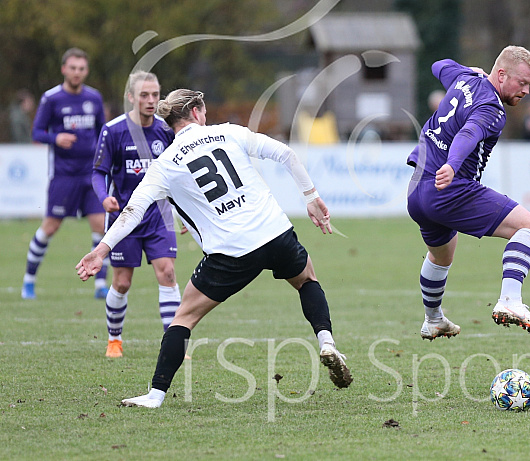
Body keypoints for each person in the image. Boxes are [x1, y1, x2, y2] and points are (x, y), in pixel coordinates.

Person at [76, 89, 352, 407]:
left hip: (231, 251)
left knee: (183, 319)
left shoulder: (164, 164)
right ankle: (327, 342)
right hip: (274, 232)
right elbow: (287, 155)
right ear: (196, 111)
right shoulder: (228, 132)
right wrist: (310, 196)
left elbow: (131, 212)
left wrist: (101, 251)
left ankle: (155, 394)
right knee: (306, 280)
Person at [406, 45, 530, 340]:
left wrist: (469, 70)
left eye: (529, 85)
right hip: (449, 188)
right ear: (500, 74)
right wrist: (452, 165)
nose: (525, 91)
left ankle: (433, 319)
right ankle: (510, 300)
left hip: (417, 190)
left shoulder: (464, 78)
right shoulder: (492, 108)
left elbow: (438, 63)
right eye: (521, 83)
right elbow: (469, 133)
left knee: (442, 255)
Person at [92, 71, 180, 358]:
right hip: (125, 216)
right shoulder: (113, 130)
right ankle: (114, 340)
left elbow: (180, 175)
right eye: (144, 95)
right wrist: (104, 197)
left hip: (159, 215)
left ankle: (173, 342)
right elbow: (98, 173)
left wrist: (188, 213)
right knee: (122, 282)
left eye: (156, 94)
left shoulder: (167, 131)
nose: (151, 100)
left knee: (167, 273)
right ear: (131, 97)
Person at [22, 48, 108, 300]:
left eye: (81, 68)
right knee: (50, 227)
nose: (77, 72)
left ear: (86, 71)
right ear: (64, 69)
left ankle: (100, 285)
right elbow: (37, 132)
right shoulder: (52, 99)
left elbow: (103, 131)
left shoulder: (94, 97)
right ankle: (29, 280)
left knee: (100, 227)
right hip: (64, 175)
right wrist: (55, 137)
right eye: (73, 68)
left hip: (91, 174)